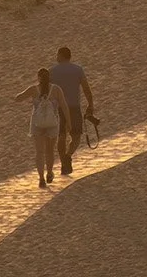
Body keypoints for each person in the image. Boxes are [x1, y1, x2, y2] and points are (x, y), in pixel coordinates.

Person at [14, 67, 72, 188]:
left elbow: (18, 98)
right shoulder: (56, 89)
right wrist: (68, 122)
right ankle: (50, 172)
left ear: (38, 78)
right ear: (49, 77)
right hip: (52, 124)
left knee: (39, 152)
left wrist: (16, 95)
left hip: (37, 124)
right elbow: (64, 106)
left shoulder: (33, 89)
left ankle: (41, 178)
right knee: (50, 150)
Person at [49, 46, 95, 177]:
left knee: (61, 136)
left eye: (57, 55)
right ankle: (68, 156)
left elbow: (45, 91)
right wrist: (90, 104)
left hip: (59, 108)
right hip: (74, 107)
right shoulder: (78, 70)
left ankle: (63, 158)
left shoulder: (51, 71)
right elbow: (86, 88)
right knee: (76, 136)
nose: (56, 57)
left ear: (61, 56)